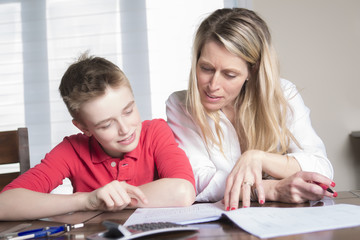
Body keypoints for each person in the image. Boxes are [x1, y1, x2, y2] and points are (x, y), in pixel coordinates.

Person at [166, 8, 335, 211]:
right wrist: (269, 189)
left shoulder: (283, 94)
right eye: (206, 68)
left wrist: (257, 158)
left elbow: (321, 168)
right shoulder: (180, 105)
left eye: (229, 74)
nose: (213, 85)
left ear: (251, 71)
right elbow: (199, 180)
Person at [0, 54, 196, 221]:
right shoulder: (72, 150)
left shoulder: (154, 132)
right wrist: (88, 200)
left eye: (128, 111)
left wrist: (114, 199)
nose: (125, 129)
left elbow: (183, 191)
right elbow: (4, 204)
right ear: (84, 127)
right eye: (106, 124)